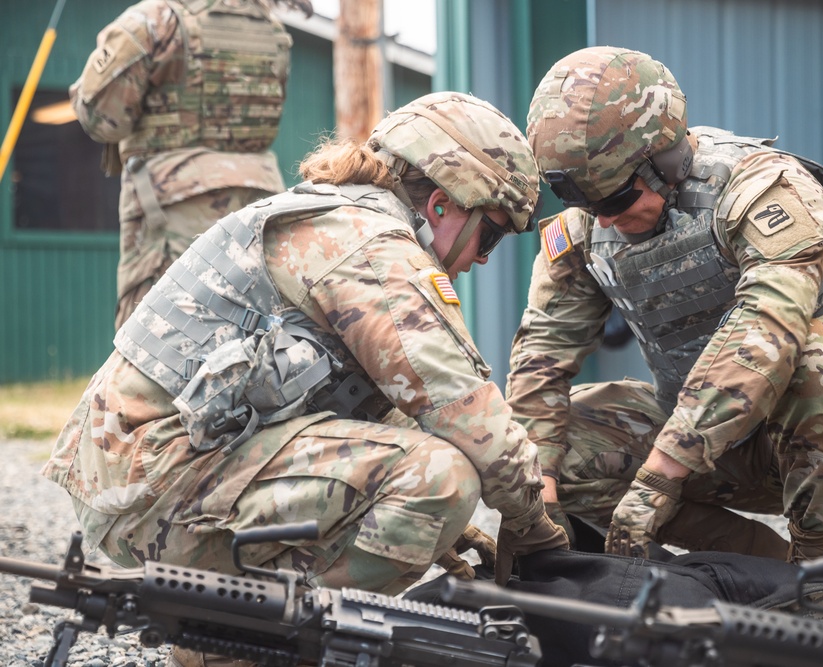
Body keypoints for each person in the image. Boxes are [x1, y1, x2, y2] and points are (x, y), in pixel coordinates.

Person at [43, 91, 568, 666]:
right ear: (442, 205)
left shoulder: (336, 222)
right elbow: (467, 415)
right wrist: (540, 537)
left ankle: (222, 641)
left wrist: (429, 527)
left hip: (143, 475)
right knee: (440, 479)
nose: (484, 259)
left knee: (433, 477)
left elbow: (378, 405)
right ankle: (255, 647)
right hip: (153, 484)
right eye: (489, 234)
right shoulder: (369, 247)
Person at [506, 46, 823, 563]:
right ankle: (765, 571)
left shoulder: (760, 190)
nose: (605, 221)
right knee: (553, 444)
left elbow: (767, 331)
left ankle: (817, 574)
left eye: (615, 200)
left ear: (666, 160)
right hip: (711, 436)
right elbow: (543, 355)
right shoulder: (588, 229)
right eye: (586, 205)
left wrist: (658, 477)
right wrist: (537, 501)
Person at [71, 0, 313, 330]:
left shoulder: (155, 19)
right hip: (259, 206)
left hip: (172, 207)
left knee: (157, 339)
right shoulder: (269, 26)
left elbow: (102, 118)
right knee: (250, 336)